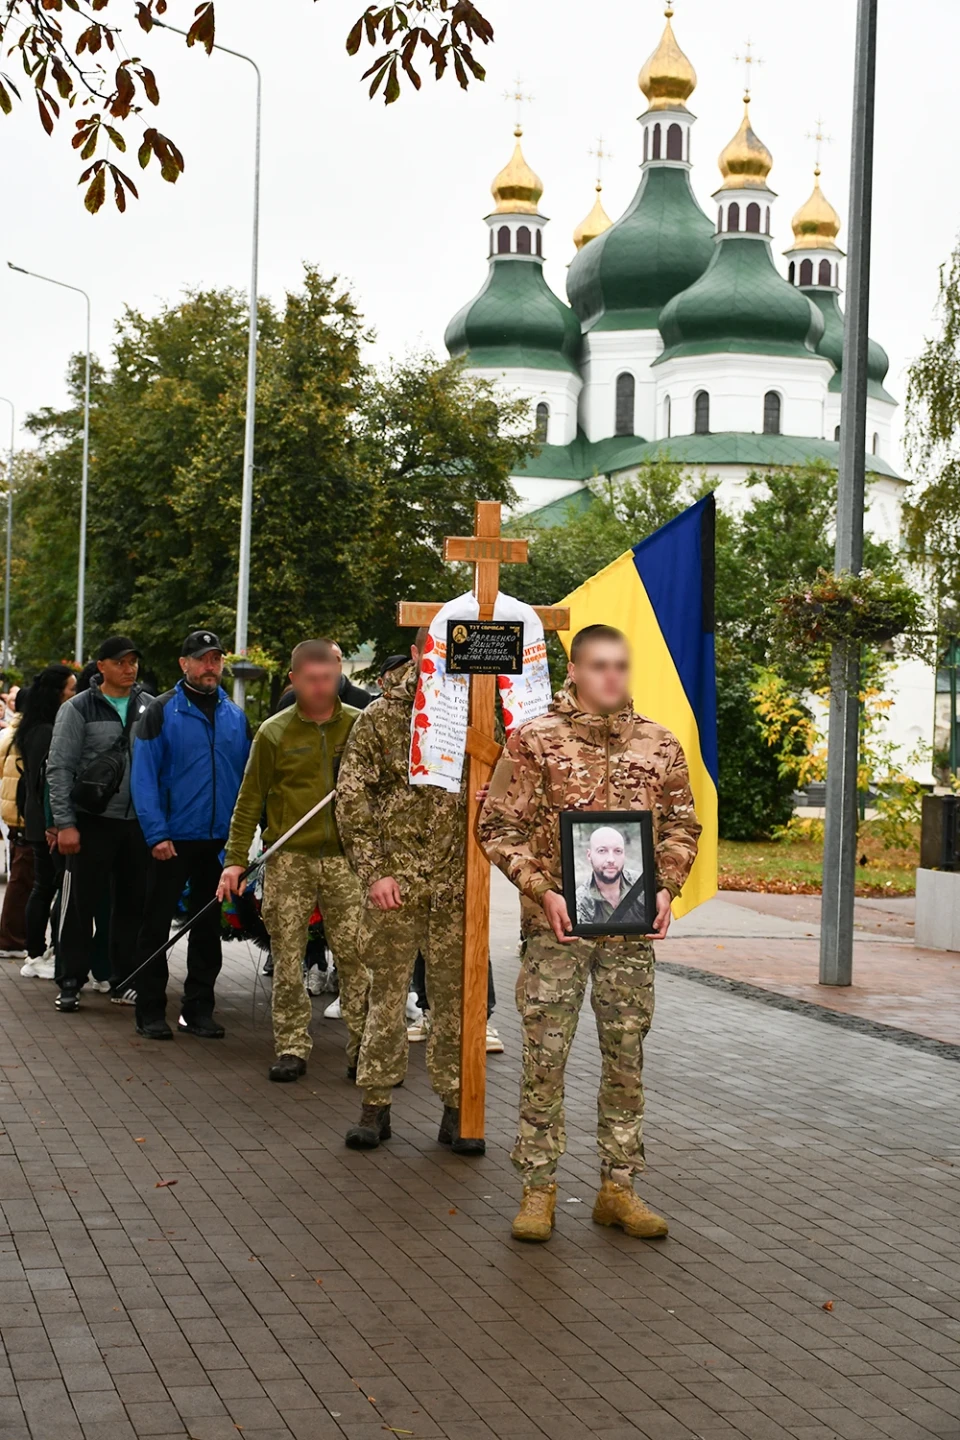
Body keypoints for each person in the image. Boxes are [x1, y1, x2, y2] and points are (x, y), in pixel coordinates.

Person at [479, 623, 701, 1243]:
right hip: (558, 933)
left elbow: (683, 826)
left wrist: (665, 886)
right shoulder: (534, 742)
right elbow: (496, 827)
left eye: (621, 666)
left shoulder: (660, 745)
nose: (612, 677)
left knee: (626, 1058)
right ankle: (538, 1188)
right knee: (545, 1058)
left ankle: (618, 1187)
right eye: (599, 666)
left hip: (629, 936)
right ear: (573, 671)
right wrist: (543, 891)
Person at [336, 631, 472, 1153]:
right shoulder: (381, 717)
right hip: (398, 882)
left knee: (455, 1001)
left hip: (457, 887)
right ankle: (375, 1104)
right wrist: (374, 873)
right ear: (416, 654)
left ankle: (458, 1106)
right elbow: (352, 800)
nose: (441, 662)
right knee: (386, 996)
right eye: (432, 651)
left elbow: (507, 786)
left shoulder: (476, 715)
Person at [218, 639, 366, 1082]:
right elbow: (249, 801)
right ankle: (291, 1047)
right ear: (294, 680)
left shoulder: (361, 726)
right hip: (289, 860)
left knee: (357, 957)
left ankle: (364, 1050)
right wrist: (234, 860)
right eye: (312, 680)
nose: (322, 688)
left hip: (346, 860)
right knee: (287, 958)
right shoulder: (274, 732)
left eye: (329, 679)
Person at [129, 631, 252, 1041]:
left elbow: (246, 782)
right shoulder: (161, 711)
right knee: (155, 925)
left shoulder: (236, 716)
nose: (210, 666)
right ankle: (149, 1010)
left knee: (206, 928)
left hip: (218, 843)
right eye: (202, 659)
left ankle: (198, 1010)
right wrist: (156, 833)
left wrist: (241, 840)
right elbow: (143, 778)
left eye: (216, 659)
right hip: (172, 840)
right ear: (184, 664)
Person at [47, 636, 152, 1013]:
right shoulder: (79, 708)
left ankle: (124, 979)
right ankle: (70, 980)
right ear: (102, 666)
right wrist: (64, 824)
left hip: (136, 824)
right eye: (121, 662)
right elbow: (59, 769)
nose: (130, 668)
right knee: (79, 906)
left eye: (134, 661)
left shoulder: (148, 707)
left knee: (130, 906)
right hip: (91, 823)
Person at [18, 665, 77, 978]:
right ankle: (40, 950)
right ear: (57, 694)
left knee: (45, 885)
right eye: (71, 689)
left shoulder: (36, 726)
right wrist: (54, 823)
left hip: (40, 820)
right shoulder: (45, 731)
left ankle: (38, 949)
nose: (75, 694)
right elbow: (47, 780)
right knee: (49, 886)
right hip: (46, 823)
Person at [0, 690, 34, 958]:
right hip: (23, 816)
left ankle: (12, 936)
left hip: (12, 815)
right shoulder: (25, 736)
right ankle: (11, 939)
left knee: (19, 876)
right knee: (22, 879)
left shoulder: (8, 734)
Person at [575, 825, 648, 926]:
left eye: (618, 851)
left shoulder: (642, 885)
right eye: (602, 851)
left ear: (624, 854)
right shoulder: (580, 902)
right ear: (589, 855)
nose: (611, 859)